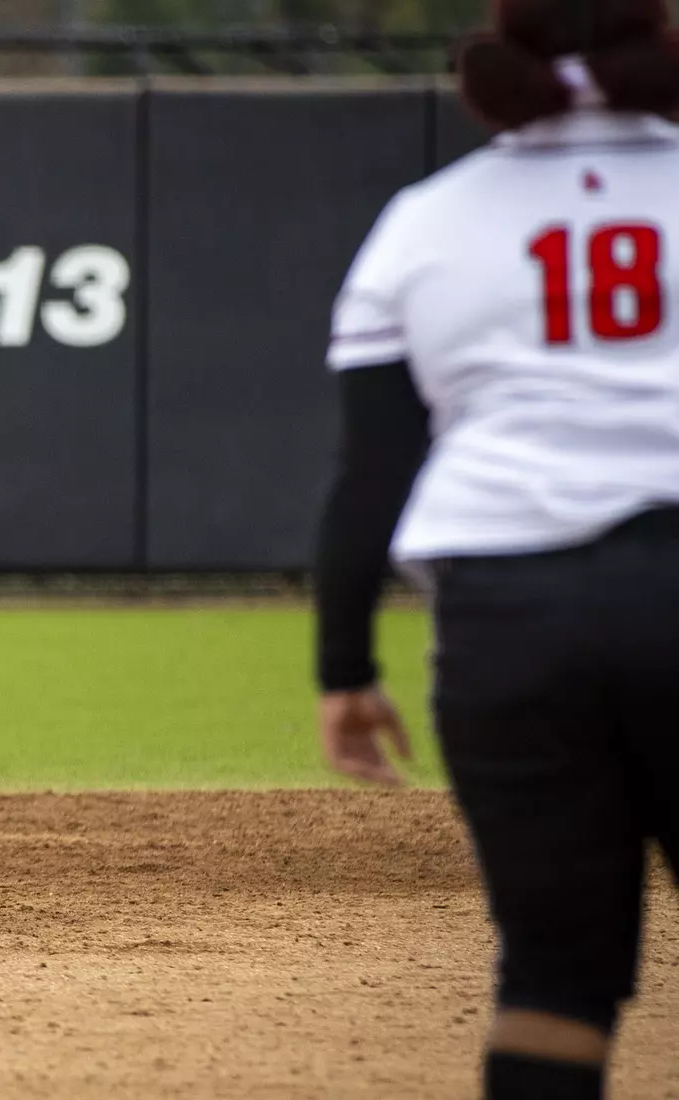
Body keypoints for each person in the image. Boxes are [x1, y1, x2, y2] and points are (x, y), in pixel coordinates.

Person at [313, 2, 679, 1096]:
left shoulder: (427, 220)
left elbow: (371, 474)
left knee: (553, 981)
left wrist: (343, 668)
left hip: (503, 618)